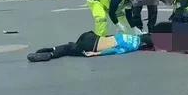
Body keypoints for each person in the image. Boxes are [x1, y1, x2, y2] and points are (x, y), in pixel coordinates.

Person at [27, 31, 155, 62]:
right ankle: (50, 54)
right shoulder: (132, 46)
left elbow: (112, 36)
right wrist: (96, 54)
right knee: (70, 50)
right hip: (91, 45)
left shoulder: (129, 36)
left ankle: (53, 49)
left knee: (71, 46)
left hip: (90, 36)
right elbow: (114, 50)